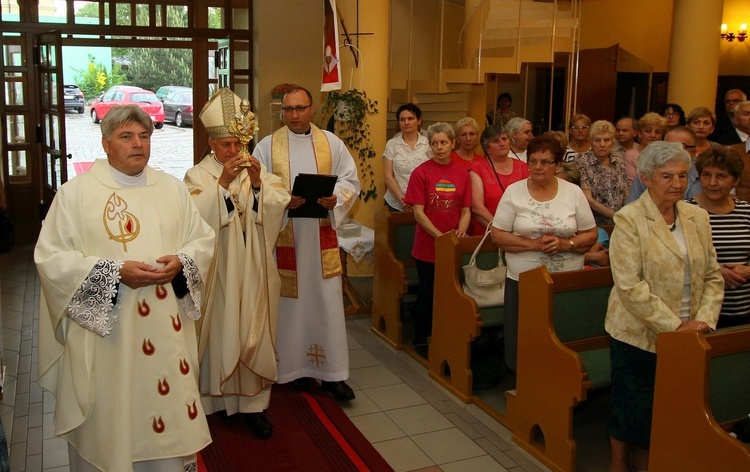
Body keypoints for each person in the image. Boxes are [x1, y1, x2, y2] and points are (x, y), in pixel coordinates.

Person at [36, 105, 216, 471]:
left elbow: (203, 239)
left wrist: (183, 260)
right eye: (127, 137)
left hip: (167, 333)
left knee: (165, 423)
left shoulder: (172, 189)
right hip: (110, 340)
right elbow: (50, 259)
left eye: (145, 136)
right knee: (113, 423)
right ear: (105, 143)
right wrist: (114, 272)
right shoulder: (75, 195)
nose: (138, 145)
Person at [605, 141, 722, 472]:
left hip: (691, 329)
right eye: (667, 175)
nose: (677, 183)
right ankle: (620, 466)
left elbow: (713, 275)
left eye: (683, 176)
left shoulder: (696, 216)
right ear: (646, 177)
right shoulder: (629, 219)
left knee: (673, 407)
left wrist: (702, 320)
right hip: (639, 332)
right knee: (633, 410)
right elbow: (630, 286)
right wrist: (675, 328)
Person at [184, 88, 291, 439]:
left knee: (253, 330)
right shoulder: (196, 176)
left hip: (255, 266)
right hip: (221, 270)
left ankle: (254, 406)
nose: (236, 152)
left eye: (239, 144)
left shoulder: (255, 170)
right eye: (227, 144)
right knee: (222, 327)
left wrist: (258, 184)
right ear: (212, 144)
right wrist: (224, 185)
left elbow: (277, 203)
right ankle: (215, 402)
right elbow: (194, 217)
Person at [255, 85, 360, 402]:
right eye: (288, 110)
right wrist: (282, 201)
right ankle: (293, 369)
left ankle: (333, 375)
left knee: (326, 304)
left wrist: (335, 199)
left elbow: (350, 180)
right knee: (289, 306)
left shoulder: (331, 143)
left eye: (300, 108)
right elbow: (255, 188)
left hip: (321, 237)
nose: (294, 115)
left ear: (312, 109)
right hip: (286, 238)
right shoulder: (267, 146)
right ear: (282, 111)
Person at [490, 135, 597, 372]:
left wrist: (565, 244)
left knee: (562, 332)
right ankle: (526, 381)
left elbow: (591, 234)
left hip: (565, 279)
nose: (538, 167)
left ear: (558, 165)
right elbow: (497, 235)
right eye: (534, 161)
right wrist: (535, 245)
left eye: (546, 162)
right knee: (525, 335)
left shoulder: (573, 193)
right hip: (524, 280)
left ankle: (561, 378)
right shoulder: (513, 192)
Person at [404, 122, 471, 354]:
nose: (439, 147)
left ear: (453, 143)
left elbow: (466, 210)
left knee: (454, 294)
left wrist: (460, 232)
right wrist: (440, 237)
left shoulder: (463, 173)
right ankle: (422, 337)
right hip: (428, 246)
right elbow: (418, 213)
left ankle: (449, 334)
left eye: (444, 142)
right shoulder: (421, 172)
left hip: (454, 244)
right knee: (428, 293)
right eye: (434, 143)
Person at [687, 147, 750, 328]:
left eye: (721, 176)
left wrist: (748, 271)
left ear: (735, 181)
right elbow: (674, 260)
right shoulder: (685, 212)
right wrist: (715, 271)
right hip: (699, 314)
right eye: (706, 175)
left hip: (743, 311)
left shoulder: (746, 211)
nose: (712, 182)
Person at [469, 125, 529, 235]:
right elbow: (477, 208)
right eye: (496, 141)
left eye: (504, 139)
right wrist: (501, 231)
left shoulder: (524, 167)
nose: (502, 143)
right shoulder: (478, 167)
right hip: (488, 232)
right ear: (487, 148)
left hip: (520, 232)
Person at [627, 126, 701, 204]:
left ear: (693, 152)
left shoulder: (705, 174)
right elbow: (631, 207)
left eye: (681, 146)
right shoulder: (648, 172)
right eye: (668, 146)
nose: (673, 152)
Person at [574, 120, 628, 225]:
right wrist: (616, 217)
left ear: (613, 142)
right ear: (590, 142)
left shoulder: (619, 159)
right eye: (597, 140)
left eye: (607, 140)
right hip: (594, 223)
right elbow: (588, 200)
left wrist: (627, 216)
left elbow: (626, 192)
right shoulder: (582, 161)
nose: (602, 145)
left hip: (621, 222)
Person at [382, 103, 430, 211]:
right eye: (402, 119)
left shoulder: (428, 144)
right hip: (396, 203)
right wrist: (402, 200)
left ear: (419, 121)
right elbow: (388, 176)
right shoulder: (392, 144)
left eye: (410, 118)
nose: (406, 122)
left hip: (423, 203)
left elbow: (434, 174)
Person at [624, 112, 667, 186]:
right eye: (648, 131)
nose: (653, 135)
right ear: (639, 134)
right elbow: (632, 185)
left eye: (658, 132)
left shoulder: (666, 155)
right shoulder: (630, 156)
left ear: (661, 136)